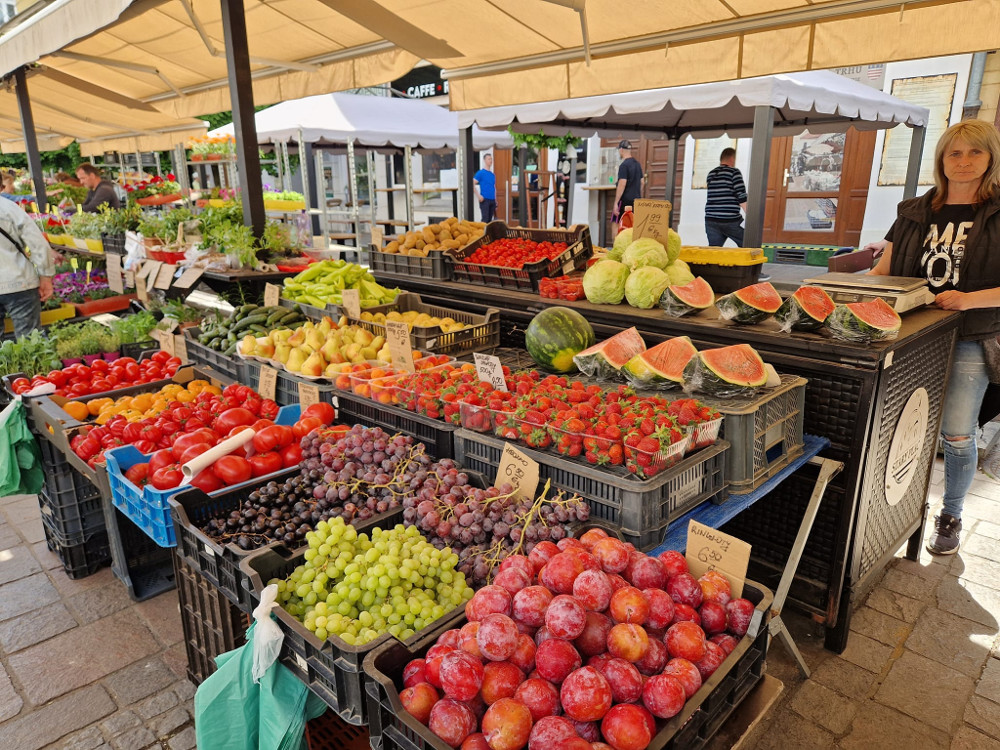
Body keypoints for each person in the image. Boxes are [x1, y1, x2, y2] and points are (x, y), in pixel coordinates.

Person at [869, 119, 1000, 555]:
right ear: (942, 160)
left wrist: (967, 299)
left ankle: (952, 513)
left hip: (969, 335)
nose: (963, 162)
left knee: (957, 434)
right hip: (908, 338)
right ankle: (898, 508)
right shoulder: (912, 211)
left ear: (990, 157)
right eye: (954, 153)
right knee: (901, 427)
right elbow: (882, 273)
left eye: (974, 153)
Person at [0, 196, 54, 338]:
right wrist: (45, 276)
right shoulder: (9, 208)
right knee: (30, 341)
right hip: (19, 281)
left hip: (19, 283)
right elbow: (38, 244)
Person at [704, 147, 748, 247]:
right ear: (732, 159)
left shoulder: (711, 174)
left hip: (711, 220)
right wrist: (751, 217)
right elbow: (741, 196)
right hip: (730, 220)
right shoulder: (734, 172)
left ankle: (712, 263)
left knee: (714, 250)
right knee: (748, 243)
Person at [611, 140, 643, 227]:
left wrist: (616, 203)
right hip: (636, 201)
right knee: (633, 225)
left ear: (621, 150)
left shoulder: (624, 165)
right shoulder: (637, 164)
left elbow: (622, 183)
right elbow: (642, 182)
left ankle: (616, 240)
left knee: (617, 223)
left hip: (625, 202)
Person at [474, 153, 497, 223]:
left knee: (490, 221)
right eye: (489, 159)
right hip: (485, 200)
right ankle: (482, 233)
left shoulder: (492, 174)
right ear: (484, 160)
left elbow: (494, 187)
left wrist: (496, 200)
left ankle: (489, 234)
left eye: (491, 159)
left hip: (492, 200)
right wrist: (478, 196)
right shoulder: (480, 173)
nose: (491, 161)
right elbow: (472, 183)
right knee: (485, 220)